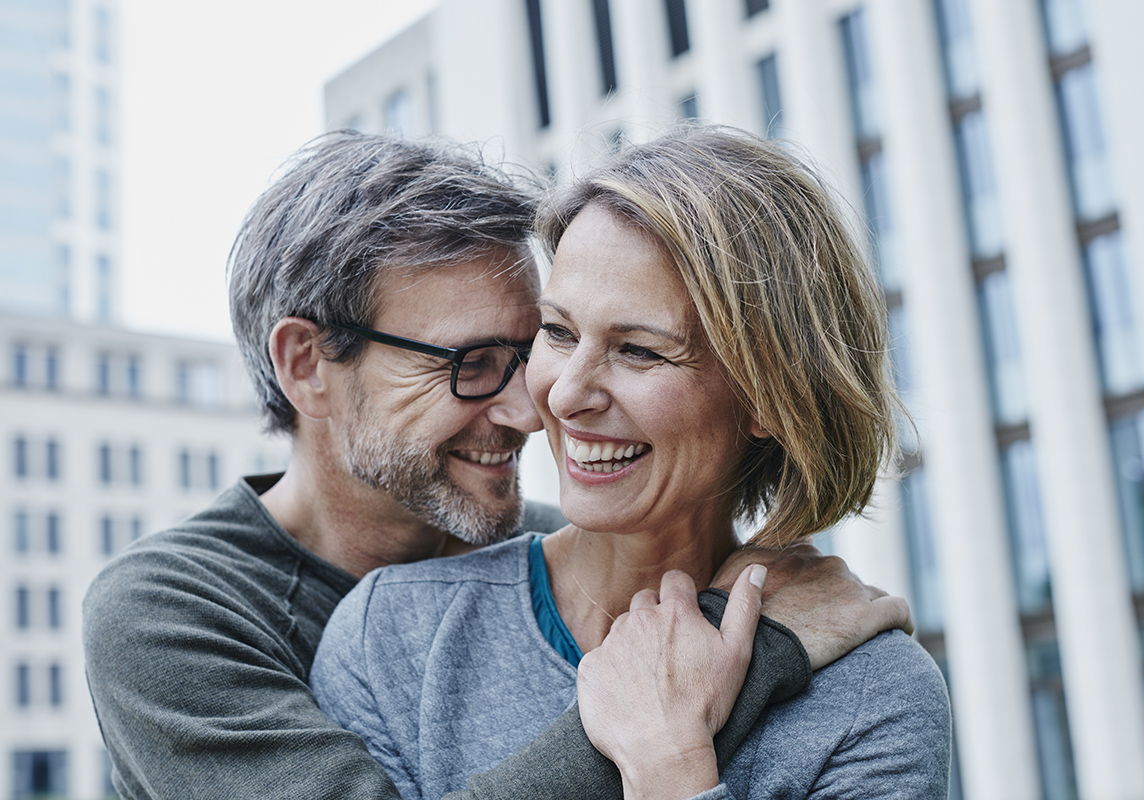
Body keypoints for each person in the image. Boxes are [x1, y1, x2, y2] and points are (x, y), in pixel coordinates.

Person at [82, 131, 914, 800]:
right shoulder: (167, 615)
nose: (533, 406)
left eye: (529, 347)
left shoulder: (570, 540)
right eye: (471, 362)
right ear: (307, 365)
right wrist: (740, 666)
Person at [311, 125, 952, 799]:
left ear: (769, 395)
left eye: (639, 350)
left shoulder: (871, 696)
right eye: (557, 332)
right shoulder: (394, 639)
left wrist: (670, 767)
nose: (562, 395)